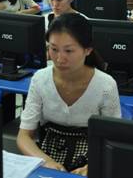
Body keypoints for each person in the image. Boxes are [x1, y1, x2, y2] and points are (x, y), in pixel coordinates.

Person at [17, 13, 120, 175]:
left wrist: (94, 166)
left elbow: (113, 141)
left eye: (69, 51)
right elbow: (24, 136)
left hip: (92, 158)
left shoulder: (105, 85)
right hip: (47, 156)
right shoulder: (40, 79)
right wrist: (46, 161)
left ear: (88, 50)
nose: (59, 59)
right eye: (53, 49)